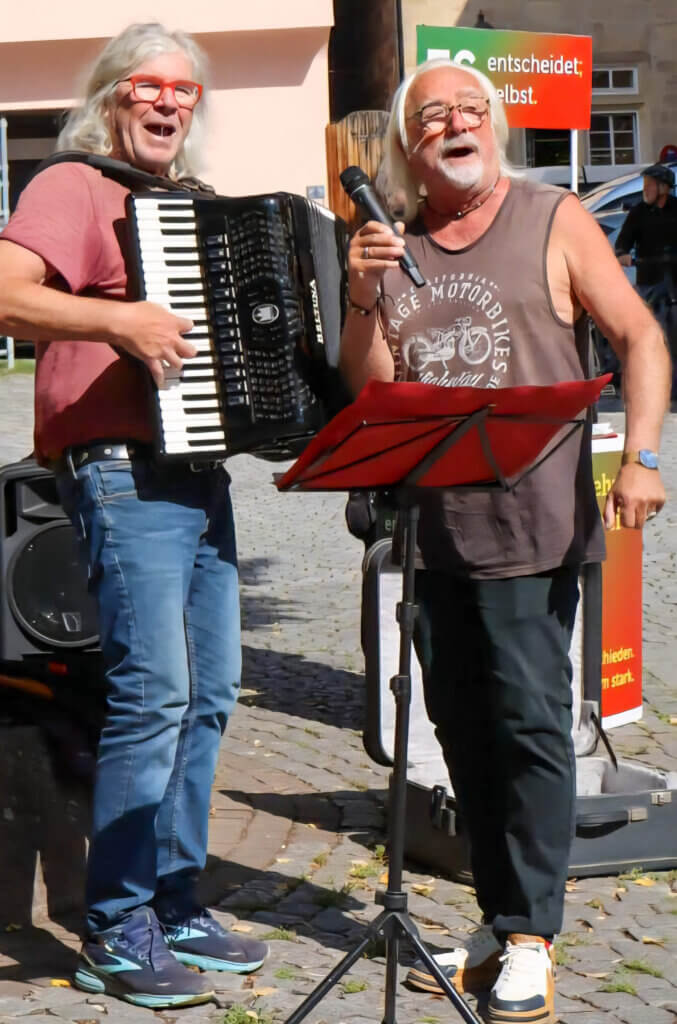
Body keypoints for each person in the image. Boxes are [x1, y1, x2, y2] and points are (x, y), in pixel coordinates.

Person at [339, 58, 670, 1024]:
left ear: (495, 123)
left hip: (533, 527)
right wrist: (361, 301)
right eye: (432, 114)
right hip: (432, 531)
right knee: (459, 728)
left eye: (469, 108)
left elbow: (639, 338)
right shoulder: (392, 245)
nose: (454, 122)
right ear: (409, 147)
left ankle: (532, 935)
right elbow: (371, 391)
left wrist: (641, 458)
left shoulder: (552, 218)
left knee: (528, 730)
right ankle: (498, 915)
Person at [0, 22, 267, 1009]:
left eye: (184, 92)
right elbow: (6, 296)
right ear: (111, 95)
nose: (167, 103)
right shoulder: (71, 186)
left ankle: (173, 896)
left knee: (209, 696)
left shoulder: (189, 207)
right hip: (117, 470)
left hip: (199, 476)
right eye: (147, 86)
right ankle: (114, 928)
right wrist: (119, 318)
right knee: (152, 696)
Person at [615, 163, 677, 394]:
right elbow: (623, 242)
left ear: (664, 188)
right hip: (649, 281)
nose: (646, 189)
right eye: (644, 185)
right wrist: (622, 254)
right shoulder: (638, 213)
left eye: (650, 185)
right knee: (650, 334)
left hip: (674, 281)